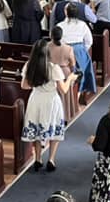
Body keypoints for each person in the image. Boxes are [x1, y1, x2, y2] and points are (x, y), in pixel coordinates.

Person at [22, 39, 77, 173]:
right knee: (54, 128)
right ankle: (51, 159)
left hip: (36, 99)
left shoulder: (29, 66)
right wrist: (70, 78)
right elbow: (63, 90)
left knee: (36, 128)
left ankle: (38, 158)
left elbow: (24, 85)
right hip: (51, 100)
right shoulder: (53, 68)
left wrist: (36, 84)